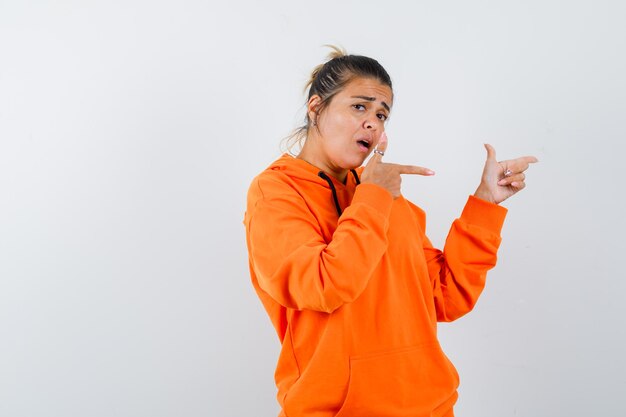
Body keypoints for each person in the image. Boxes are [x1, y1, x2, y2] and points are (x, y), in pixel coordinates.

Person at [243, 46, 537, 417]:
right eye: (359, 107)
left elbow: (445, 297)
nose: (373, 122)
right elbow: (325, 284)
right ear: (316, 107)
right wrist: (374, 195)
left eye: (382, 114)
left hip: (430, 407)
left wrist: (484, 205)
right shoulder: (275, 193)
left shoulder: (382, 195)